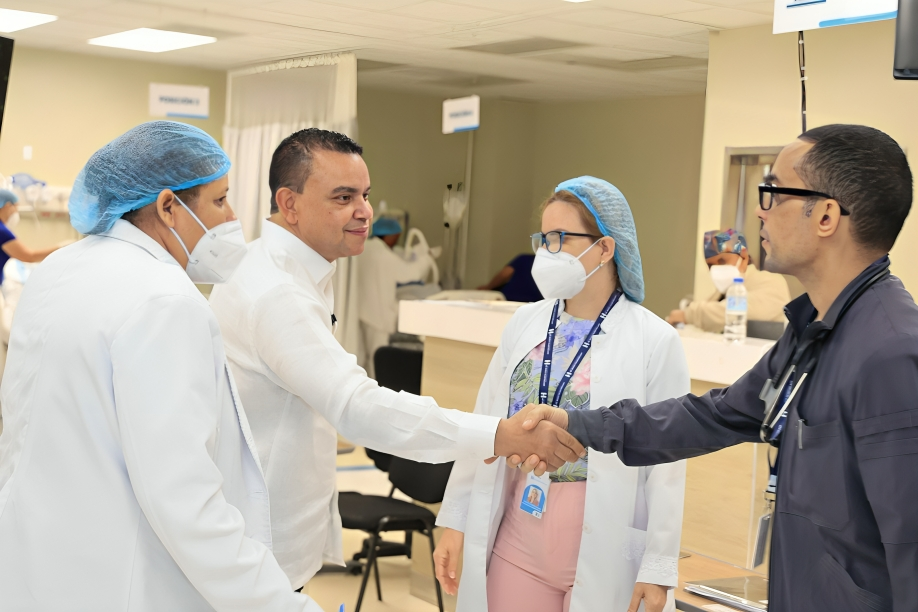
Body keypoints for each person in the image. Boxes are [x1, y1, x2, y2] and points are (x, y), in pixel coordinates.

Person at [518, 125, 918, 612]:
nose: (759, 210)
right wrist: (580, 423)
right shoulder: (813, 331)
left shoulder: (890, 354)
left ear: (828, 215)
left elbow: (909, 547)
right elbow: (715, 416)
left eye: (773, 192)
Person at [208, 128, 584, 591]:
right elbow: (357, 407)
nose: (364, 211)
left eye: (364, 195)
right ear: (289, 204)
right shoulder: (276, 292)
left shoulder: (278, 268)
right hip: (261, 550)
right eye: (343, 197)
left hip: (264, 537)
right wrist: (499, 435)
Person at [0, 121, 323, 611]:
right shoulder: (164, 300)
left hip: (33, 566)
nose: (233, 216)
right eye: (220, 200)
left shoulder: (58, 270)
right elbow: (184, 500)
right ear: (169, 206)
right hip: (122, 584)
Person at [433, 178, 689, 612]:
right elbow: (483, 425)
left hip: (605, 543)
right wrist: (455, 520)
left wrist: (658, 566)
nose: (545, 252)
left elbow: (667, 463)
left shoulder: (654, 341)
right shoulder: (524, 324)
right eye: (542, 239)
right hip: (518, 535)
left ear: (606, 248)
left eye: (559, 239)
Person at [666, 228, 790, 331]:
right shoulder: (719, 295)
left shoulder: (772, 282)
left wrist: (687, 315)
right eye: (711, 265)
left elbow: (734, 312)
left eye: (722, 261)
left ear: (743, 255)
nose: (717, 269)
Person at [357, 216, 405, 375]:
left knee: (367, 357)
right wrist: (426, 259)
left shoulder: (365, 248)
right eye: (396, 237)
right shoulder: (383, 254)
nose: (397, 241)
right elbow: (410, 273)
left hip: (364, 312)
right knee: (377, 359)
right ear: (389, 236)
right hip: (378, 316)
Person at [0, 188, 68, 283]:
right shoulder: (2, 231)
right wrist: (62, 248)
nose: (16, 212)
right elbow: (29, 256)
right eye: (16, 207)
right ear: (8, 206)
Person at [478, 253, 543, 302]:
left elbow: (504, 275)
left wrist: (488, 288)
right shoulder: (550, 266)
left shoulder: (524, 259)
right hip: (534, 304)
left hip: (507, 299)